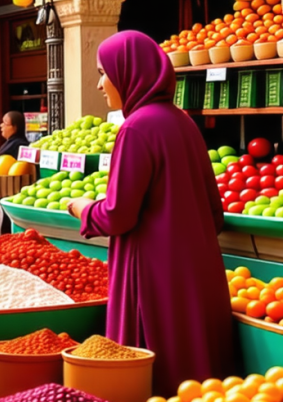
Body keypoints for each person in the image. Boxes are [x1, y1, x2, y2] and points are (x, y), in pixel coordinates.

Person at [66, 30, 233, 394]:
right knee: (200, 379)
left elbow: (118, 215)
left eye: (103, 73)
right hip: (197, 274)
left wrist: (82, 208)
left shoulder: (136, 128)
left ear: (128, 73)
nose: (99, 85)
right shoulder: (184, 123)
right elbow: (214, 212)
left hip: (154, 276)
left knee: (155, 375)